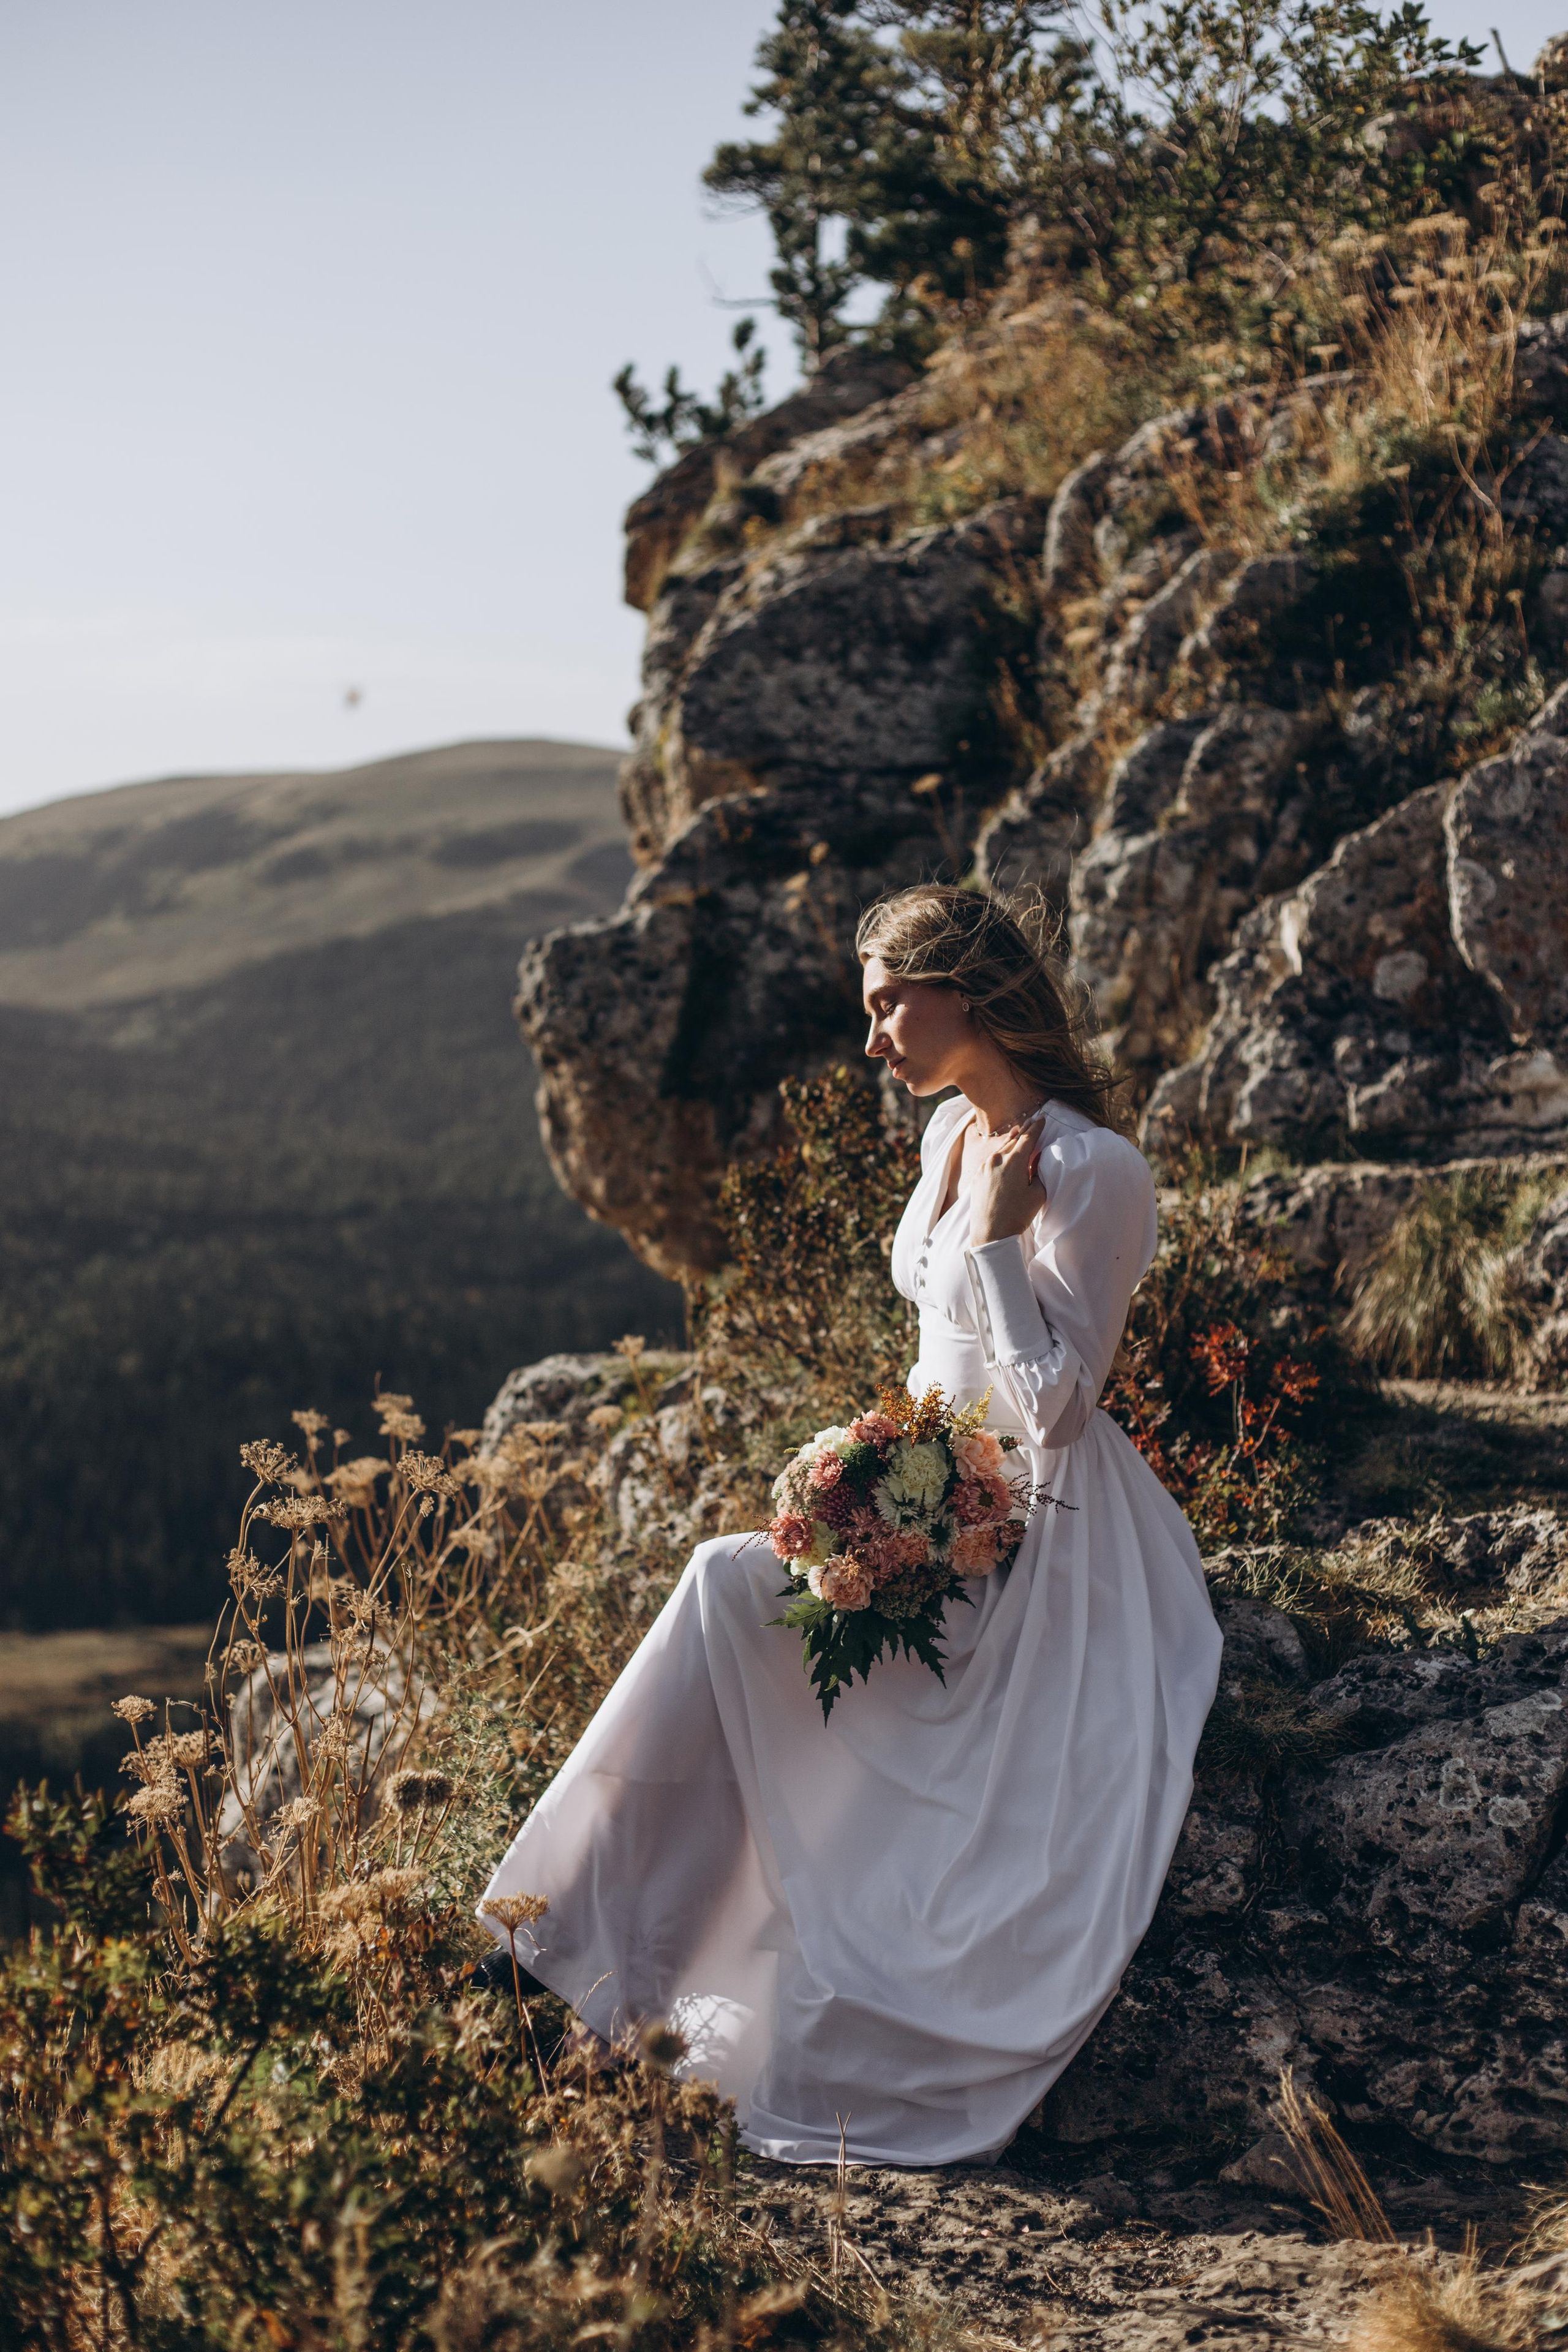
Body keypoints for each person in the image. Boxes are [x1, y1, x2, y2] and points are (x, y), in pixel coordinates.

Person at [477, 883, 1221, 2166]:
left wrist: (995, 1245)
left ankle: (575, 1955)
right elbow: (938, 1352)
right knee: (723, 1594)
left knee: (719, 1588)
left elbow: (1055, 1414)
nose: (873, 1041)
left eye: (888, 1005)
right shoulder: (944, 1139)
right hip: (927, 1502)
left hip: (1041, 1543)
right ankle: (569, 1950)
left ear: (969, 996)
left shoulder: (1092, 1169)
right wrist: (870, 1481)